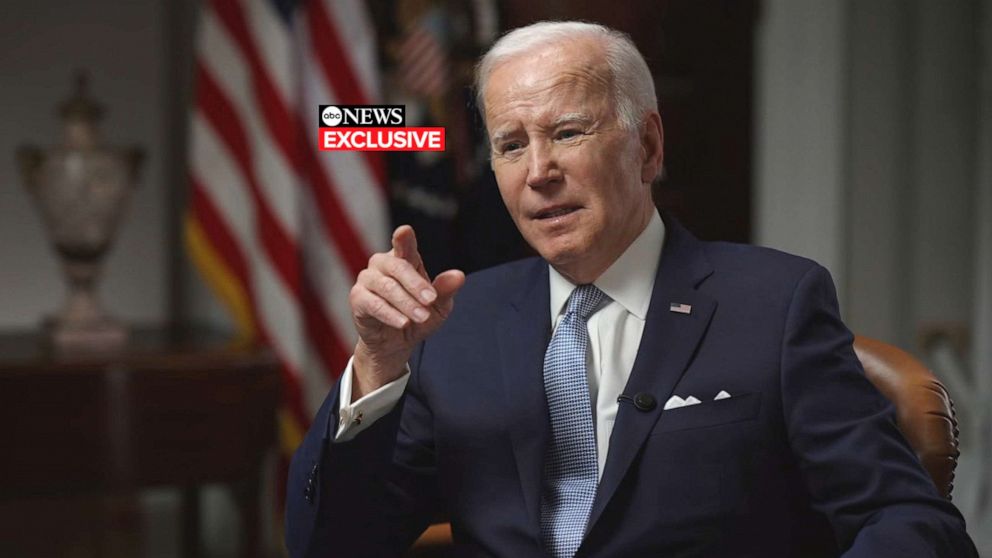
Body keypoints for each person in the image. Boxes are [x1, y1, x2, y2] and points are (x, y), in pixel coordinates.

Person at [285, 21, 977, 557]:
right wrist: (377, 366)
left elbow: (907, 521)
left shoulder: (775, 303)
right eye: (511, 145)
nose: (539, 171)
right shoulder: (459, 322)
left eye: (567, 132)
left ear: (647, 146)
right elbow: (332, 543)